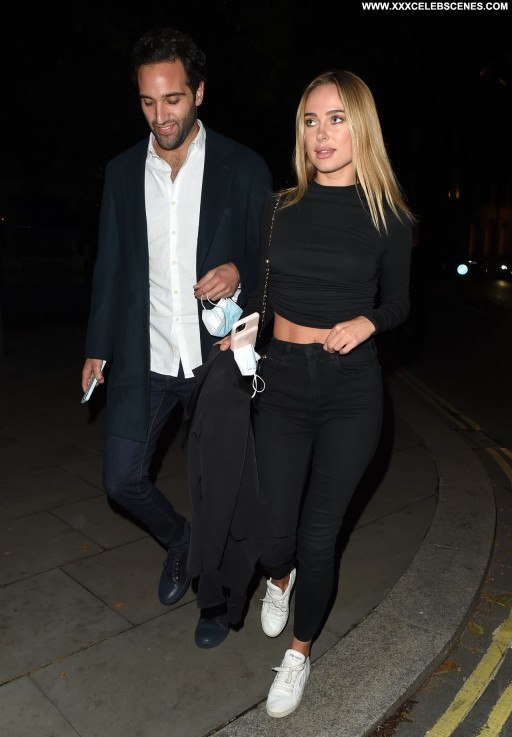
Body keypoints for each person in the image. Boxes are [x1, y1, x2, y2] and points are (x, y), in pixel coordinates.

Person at [220, 69, 414, 717]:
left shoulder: (389, 217)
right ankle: (280, 576)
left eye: (336, 119)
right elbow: (264, 292)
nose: (322, 134)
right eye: (311, 120)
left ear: (362, 128)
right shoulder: (279, 208)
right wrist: (246, 324)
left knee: (320, 535)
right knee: (275, 531)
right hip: (280, 380)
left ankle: (299, 653)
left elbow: (400, 302)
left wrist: (369, 322)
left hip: (349, 392)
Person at [81, 27, 272, 648]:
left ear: (199, 93)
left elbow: (272, 258)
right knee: (121, 479)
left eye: (172, 99)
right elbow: (111, 265)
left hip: (216, 359)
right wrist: (97, 346)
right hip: (147, 356)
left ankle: (214, 603)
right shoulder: (120, 172)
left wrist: (240, 271)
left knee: (217, 491)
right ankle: (181, 538)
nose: (160, 115)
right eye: (147, 101)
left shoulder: (243, 167)